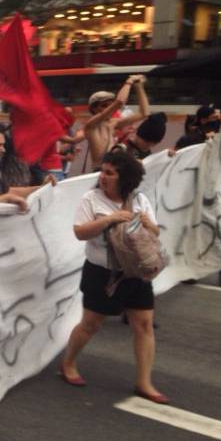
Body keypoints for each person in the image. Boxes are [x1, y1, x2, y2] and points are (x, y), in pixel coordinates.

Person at [61, 150, 168, 404]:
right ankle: (68, 363)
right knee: (91, 324)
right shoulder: (91, 199)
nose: (103, 177)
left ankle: (144, 381)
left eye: (110, 173)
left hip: (135, 272)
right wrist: (109, 219)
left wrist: (146, 223)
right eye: (103, 171)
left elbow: (155, 232)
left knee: (142, 325)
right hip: (102, 272)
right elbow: (80, 233)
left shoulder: (139, 199)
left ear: (125, 178)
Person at [83, 74, 150, 171]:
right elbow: (120, 102)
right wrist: (129, 81)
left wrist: (139, 87)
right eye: (104, 105)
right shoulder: (91, 124)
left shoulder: (112, 123)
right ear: (94, 109)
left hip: (111, 169)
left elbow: (144, 113)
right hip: (99, 171)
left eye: (110, 105)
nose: (109, 108)